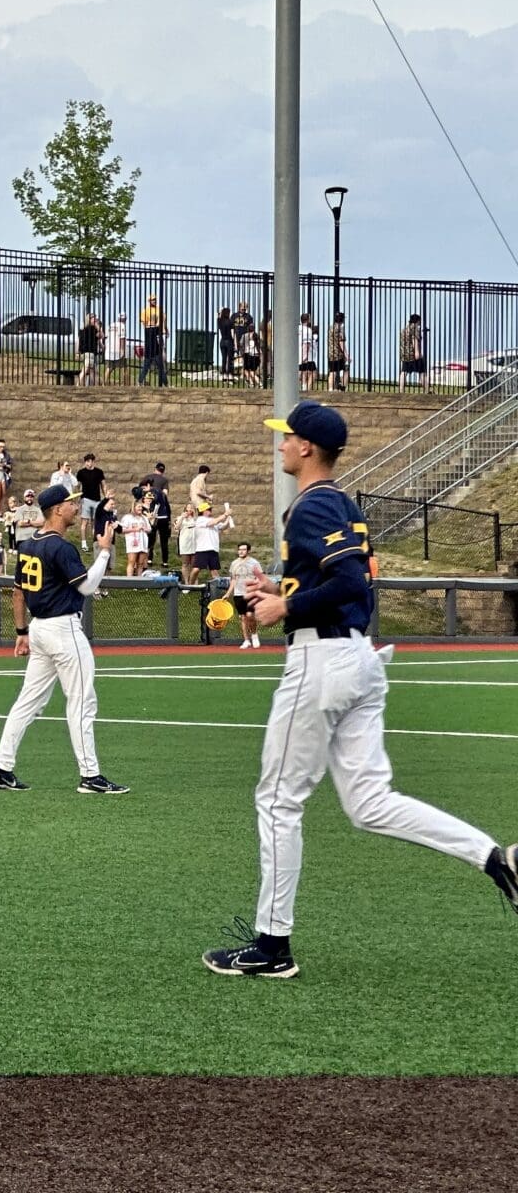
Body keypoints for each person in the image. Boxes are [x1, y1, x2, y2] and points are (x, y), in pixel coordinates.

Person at [205, 401, 518, 979]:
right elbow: (349, 580)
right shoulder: (343, 503)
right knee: (371, 804)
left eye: (287, 438)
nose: (281, 446)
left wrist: (286, 605)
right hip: (358, 658)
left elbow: (348, 580)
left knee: (278, 800)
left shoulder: (313, 502)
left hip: (322, 661)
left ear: (306, 449)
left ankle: (273, 947)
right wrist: (283, 585)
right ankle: (496, 858)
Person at [0, 483, 127, 795]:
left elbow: (18, 592)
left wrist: (22, 632)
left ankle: (2, 768)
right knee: (81, 702)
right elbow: (87, 588)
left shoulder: (27, 545)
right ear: (56, 510)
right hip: (63, 630)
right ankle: (90, 776)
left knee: (27, 702)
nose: (75, 508)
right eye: (70, 504)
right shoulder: (60, 547)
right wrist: (104, 551)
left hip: (39, 629)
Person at [228, 540, 265, 649]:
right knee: (243, 617)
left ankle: (254, 635)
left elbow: (260, 578)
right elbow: (233, 580)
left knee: (250, 615)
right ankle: (246, 640)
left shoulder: (254, 563)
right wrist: (228, 593)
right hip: (238, 594)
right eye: (239, 549)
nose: (241, 551)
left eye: (243, 549)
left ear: (248, 551)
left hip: (250, 593)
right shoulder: (234, 563)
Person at [137, 293, 168, 386]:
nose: (154, 301)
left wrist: (166, 330)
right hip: (150, 334)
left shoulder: (160, 310)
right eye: (152, 299)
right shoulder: (145, 311)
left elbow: (163, 322)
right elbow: (144, 324)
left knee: (160, 363)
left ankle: (165, 383)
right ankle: (140, 381)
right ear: (149, 301)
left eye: (155, 299)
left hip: (158, 334)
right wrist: (151, 327)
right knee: (147, 363)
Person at [326, 311, 350, 392]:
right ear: (342, 320)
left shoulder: (331, 328)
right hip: (339, 354)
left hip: (331, 353)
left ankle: (330, 389)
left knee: (332, 372)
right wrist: (346, 355)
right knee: (346, 370)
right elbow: (341, 343)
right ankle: (342, 388)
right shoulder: (340, 329)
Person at [78, 312, 103, 386]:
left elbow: (79, 342)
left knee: (93, 371)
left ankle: (94, 386)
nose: (95, 319)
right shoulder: (93, 329)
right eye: (93, 318)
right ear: (89, 320)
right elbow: (102, 335)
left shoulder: (83, 329)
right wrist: (97, 326)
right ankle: (78, 384)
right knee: (85, 369)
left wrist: (78, 352)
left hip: (84, 352)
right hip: (90, 352)